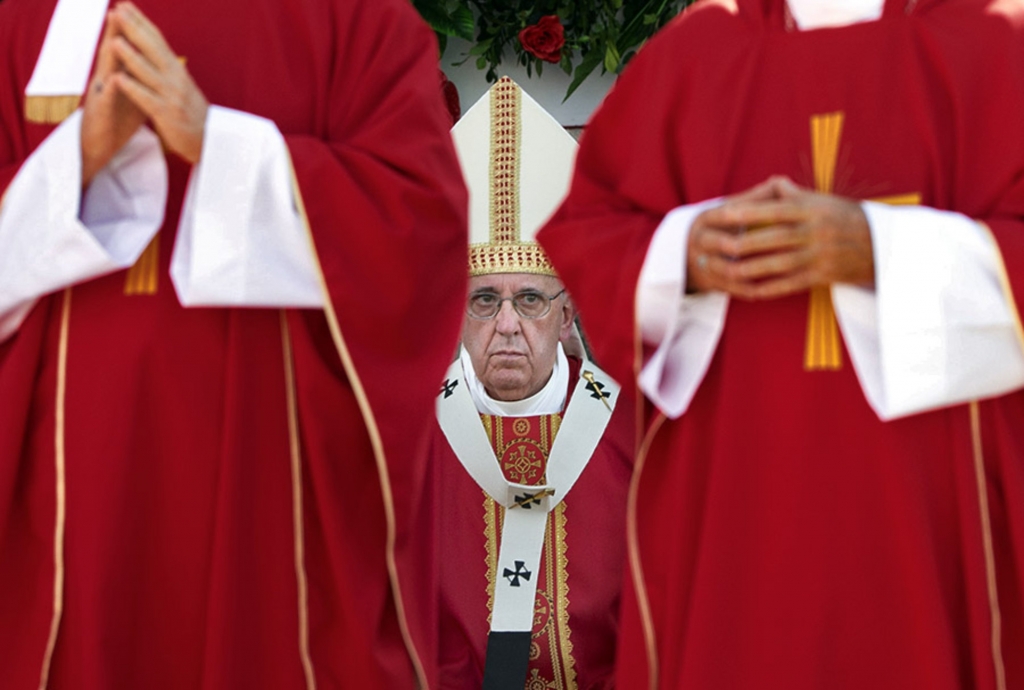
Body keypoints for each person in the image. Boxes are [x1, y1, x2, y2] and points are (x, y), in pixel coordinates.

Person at [537, 0, 1024, 688]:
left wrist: (883, 251)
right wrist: (682, 253)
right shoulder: (696, 53)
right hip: (739, 499)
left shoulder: (998, 43)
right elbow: (593, 232)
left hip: (923, 508)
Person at [0, 0, 467, 688]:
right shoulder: (21, 19)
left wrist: (218, 149)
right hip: (70, 500)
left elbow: (419, 235)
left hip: (267, 489)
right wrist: (75, 162)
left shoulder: (358, 18)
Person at [430, 77, 635, 690]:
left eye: (531, 301)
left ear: (567, 316)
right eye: (485, 301)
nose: (509, 326)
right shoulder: (412, 440)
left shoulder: (626, 432)